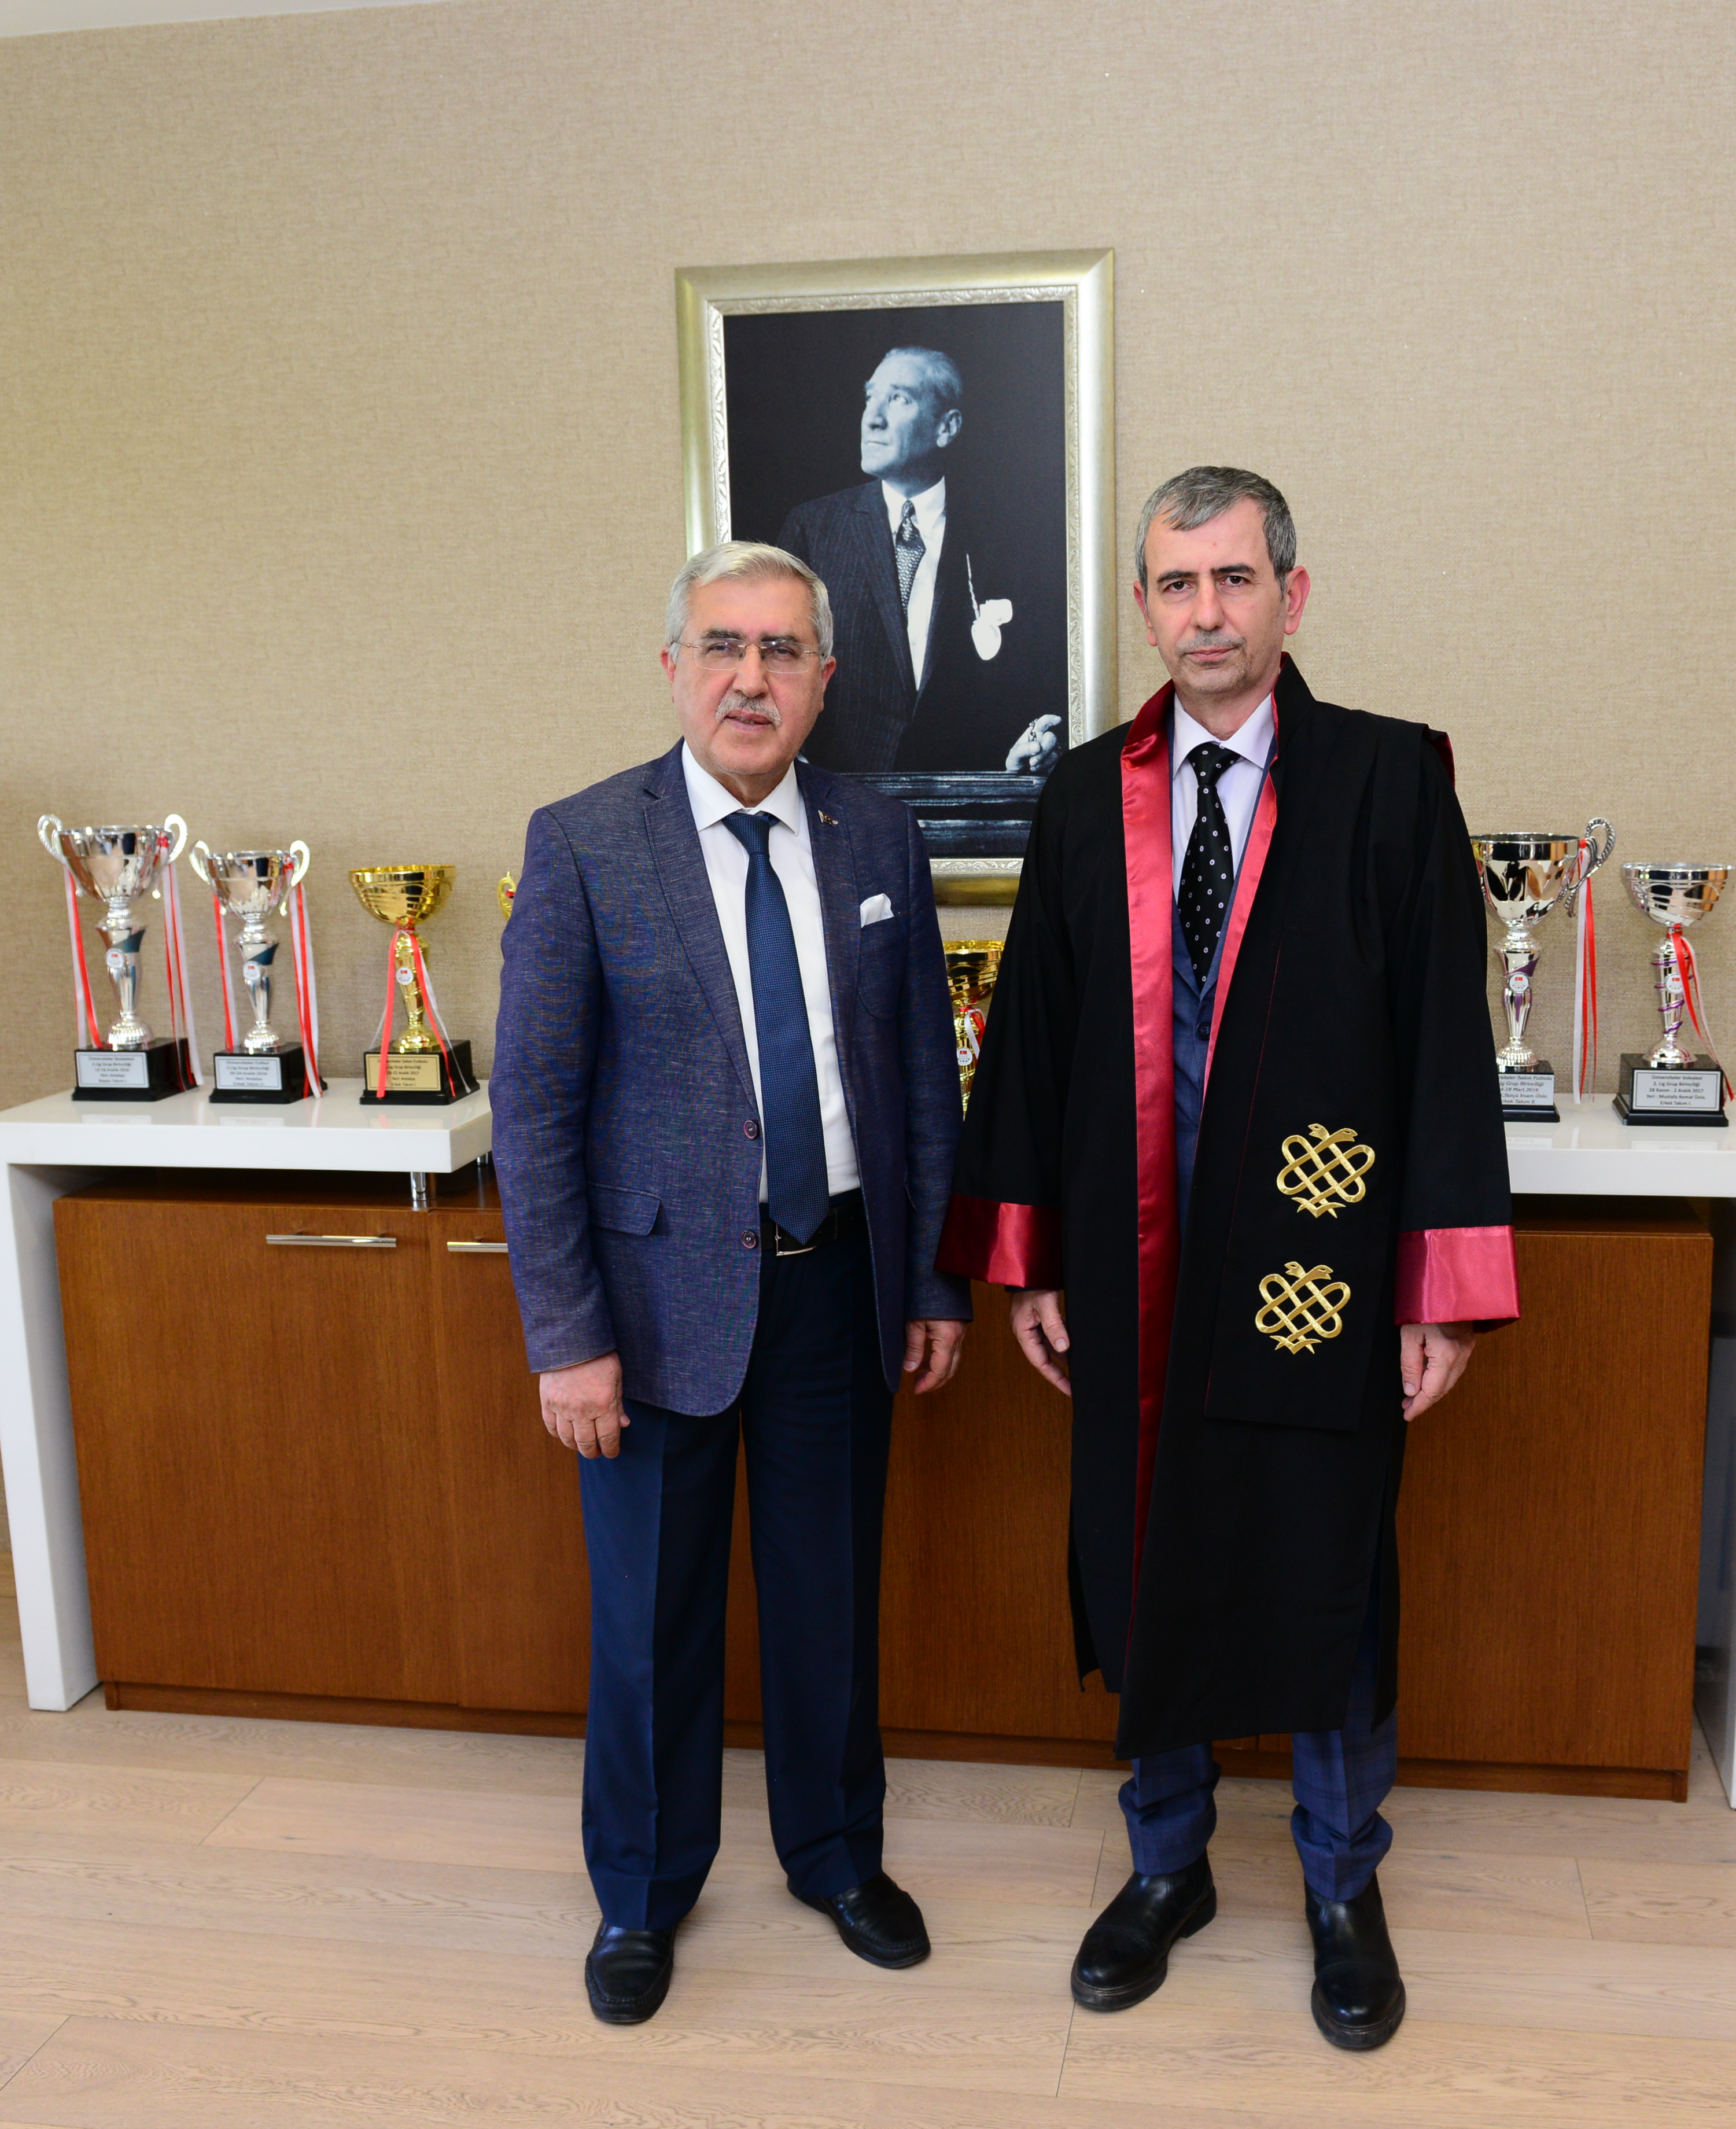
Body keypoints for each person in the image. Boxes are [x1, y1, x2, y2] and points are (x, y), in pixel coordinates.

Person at [935, 466, 1517, 2051]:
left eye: (1235, 579)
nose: (1207, 612)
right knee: (1148, 1559)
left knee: (1326, 1570)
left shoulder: (1388, 781)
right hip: (1132, 1264)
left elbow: (1442, 1043)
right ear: (1144, 606)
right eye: (1178, 584)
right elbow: (1035, 1036)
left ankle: (1340, 1882)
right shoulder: (1085, 795)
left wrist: (1441, 1289)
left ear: (1291, 595)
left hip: (1318, 1276)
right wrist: (1028, 1258)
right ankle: (1164, 1866)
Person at [493, 540, 972, 2026]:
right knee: (652, 1618)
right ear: (673, 669)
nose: (750, 678)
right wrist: (566, 1335)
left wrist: (934, 1280)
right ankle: (641, 1893)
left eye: (780, 650)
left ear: (825, 678)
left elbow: (921, 1078)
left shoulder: (878, 837)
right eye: (722, 646)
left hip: (839, 1284)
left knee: (830, 1601)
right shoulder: (586, 841)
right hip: (648, 1313)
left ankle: (837, 1857)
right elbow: (533, 1108)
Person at [775, 346, 1061, 776]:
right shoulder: (813, 529)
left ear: (947, 427)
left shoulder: (1007, 536)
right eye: (870, 397)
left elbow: (1034, 675)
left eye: (898, 398)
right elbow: (779, 662)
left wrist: (1022, 749)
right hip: (839, 796)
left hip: (968, 792)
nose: (872, 418)